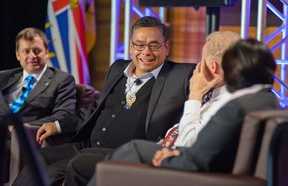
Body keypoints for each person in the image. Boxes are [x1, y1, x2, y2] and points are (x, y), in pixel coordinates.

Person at [12, 16, 195, 186]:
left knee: (53, 173)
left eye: (154, 46)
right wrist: (58, 125)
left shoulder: (180, 76)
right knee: (39, 158)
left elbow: (210, 77)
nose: (146, 52)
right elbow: (95, 109)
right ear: (131, 46)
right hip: (86, 146)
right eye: (139, 45)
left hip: (120, 156)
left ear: (167, 47)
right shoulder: (117, 68)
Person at [88, 38, 279, 185]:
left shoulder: (235, 109)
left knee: (130, 150)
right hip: (204, 164)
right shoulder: (268, 100)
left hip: (195, 174)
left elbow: (194, 161)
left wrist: (168, 159)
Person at [61, 30, 241, 186]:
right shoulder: (217, 93)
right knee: (86, 155)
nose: (197, 67)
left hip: (169, 167)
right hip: (161, 150)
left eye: (201, 60)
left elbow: (187, 145)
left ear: (212, 66)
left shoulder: (225, 103)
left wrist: (194, 97)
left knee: (79, 164)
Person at [0, 27, 76, 183]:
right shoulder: (4, 77)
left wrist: (21, 128)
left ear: (46, 52)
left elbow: (64, 114)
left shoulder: (62, 80)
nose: (32, 56)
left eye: (37, 51)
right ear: (17, 55)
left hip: (22, 138)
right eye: (26, 51)